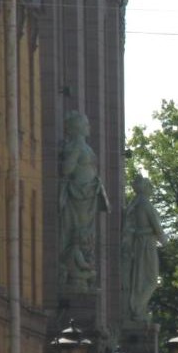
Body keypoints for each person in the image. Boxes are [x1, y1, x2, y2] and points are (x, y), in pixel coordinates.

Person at [59, 111, 108, 290]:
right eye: (86, 124)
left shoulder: (83, 146)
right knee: (78, 229)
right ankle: (75, 266)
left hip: (88, 194)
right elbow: (66, 169)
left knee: (87, 231)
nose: (89, 127)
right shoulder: (77, 146)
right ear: (77, 127)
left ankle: (82, 265)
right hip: (78, 194)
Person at [121, 175, 166, 321]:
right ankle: (138, 308)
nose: (152, 190)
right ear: (146, 188)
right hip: (146, 244)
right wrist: (167, 244)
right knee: (151, 278)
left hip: (138, 244)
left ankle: (137, 308)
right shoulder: (145, 203)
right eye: (150, 186)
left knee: (139, 277)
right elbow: (157, 228)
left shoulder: (134, 202)